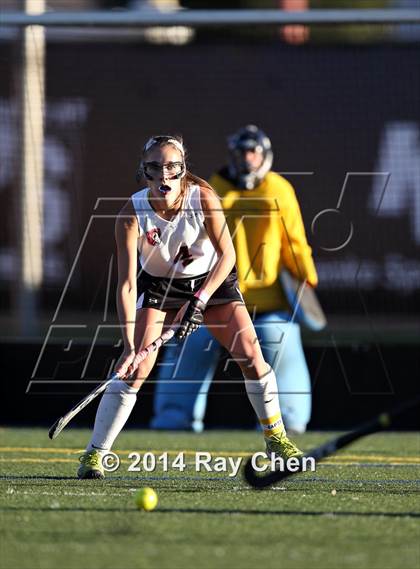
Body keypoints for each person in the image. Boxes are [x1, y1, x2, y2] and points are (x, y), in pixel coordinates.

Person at [77, 134, 303, 479]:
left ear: (183, 170)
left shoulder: (205, 198)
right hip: (160, 288)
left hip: (212, 282)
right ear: (145, 171)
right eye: (155, 168)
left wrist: (199, 300)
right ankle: (95, 453)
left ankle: (276, 439)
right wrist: (127, 345)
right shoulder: (130, 214)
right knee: (135, 368)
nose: (164, 176)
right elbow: (126, 285)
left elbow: (228, 256)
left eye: (172, 168)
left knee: (252, 356)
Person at [151, 126, 318, 434]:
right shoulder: (211, 189)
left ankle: (288, 422)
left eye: (253, 151)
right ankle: (173, 418)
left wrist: (306, 277)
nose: (247, 158)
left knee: (281, 348)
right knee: (190, 347)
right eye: (242, 152)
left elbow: (294, 244)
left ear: (264, 154)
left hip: (268, 306)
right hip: (215, 301)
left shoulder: (278, 190)